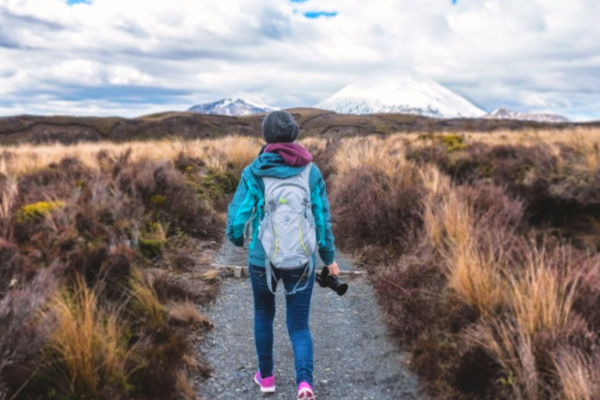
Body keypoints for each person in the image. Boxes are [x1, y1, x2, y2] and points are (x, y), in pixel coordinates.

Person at [226, 110, 338, 400]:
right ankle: (304, 384)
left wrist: (237, 239)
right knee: (299, 324)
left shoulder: (253, 171)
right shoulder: (311, 172)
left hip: (261, 258)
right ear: (294, 134)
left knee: (264, 314)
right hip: (301, 258)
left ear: (266, 137)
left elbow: (239, 217)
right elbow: (321, 219)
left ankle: (266, 379)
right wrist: (328, 257)